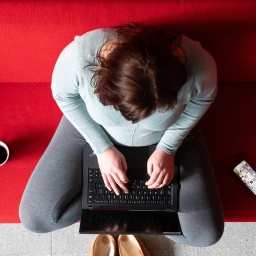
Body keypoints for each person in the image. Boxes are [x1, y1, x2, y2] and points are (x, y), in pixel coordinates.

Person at [19, 23, 224, 247]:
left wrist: (168, 148)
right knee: (35, 219)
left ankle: (121, 204)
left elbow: (202, 100)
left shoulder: (200, 67)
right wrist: (102, 148)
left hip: (168, 134)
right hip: (96, 128)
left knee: (205, 235)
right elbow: (64, 97)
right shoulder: (79, 59)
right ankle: (130, 203)